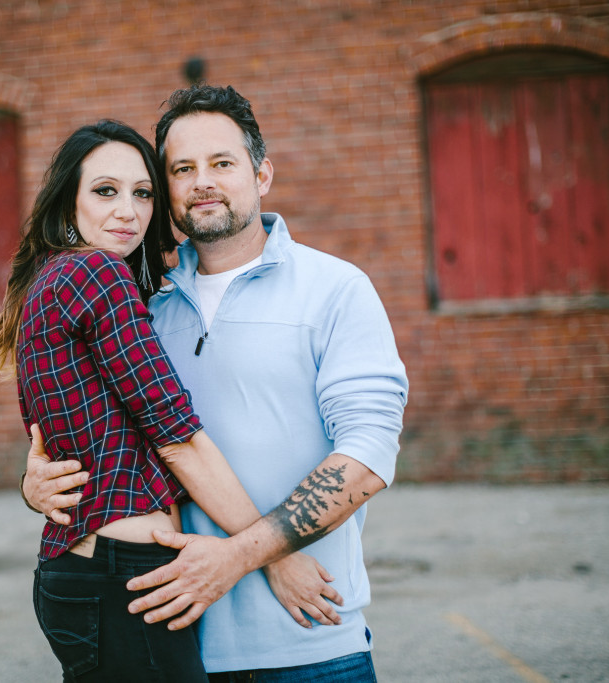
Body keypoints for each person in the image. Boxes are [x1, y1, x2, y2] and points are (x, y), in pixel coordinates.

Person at [24, 86, 409, 682]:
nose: (202, 181)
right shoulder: (141, 307)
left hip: (310, 643)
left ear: (262, 174)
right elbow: (93, 427)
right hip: (177, 635)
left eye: (222, 163)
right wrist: (36, 481)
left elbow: (366, 458)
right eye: (182, 169)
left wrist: (244, 558)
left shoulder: (336, 288)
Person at [0, 119, 342, 682]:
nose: (128, 210)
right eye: (105, 191)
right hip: (123, 574)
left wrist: (33, 486)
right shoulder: (95, 274)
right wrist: (276, 556)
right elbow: (178, 441)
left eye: (142, 193)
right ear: (67, 201)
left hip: (94, 569)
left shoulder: (56, 278)